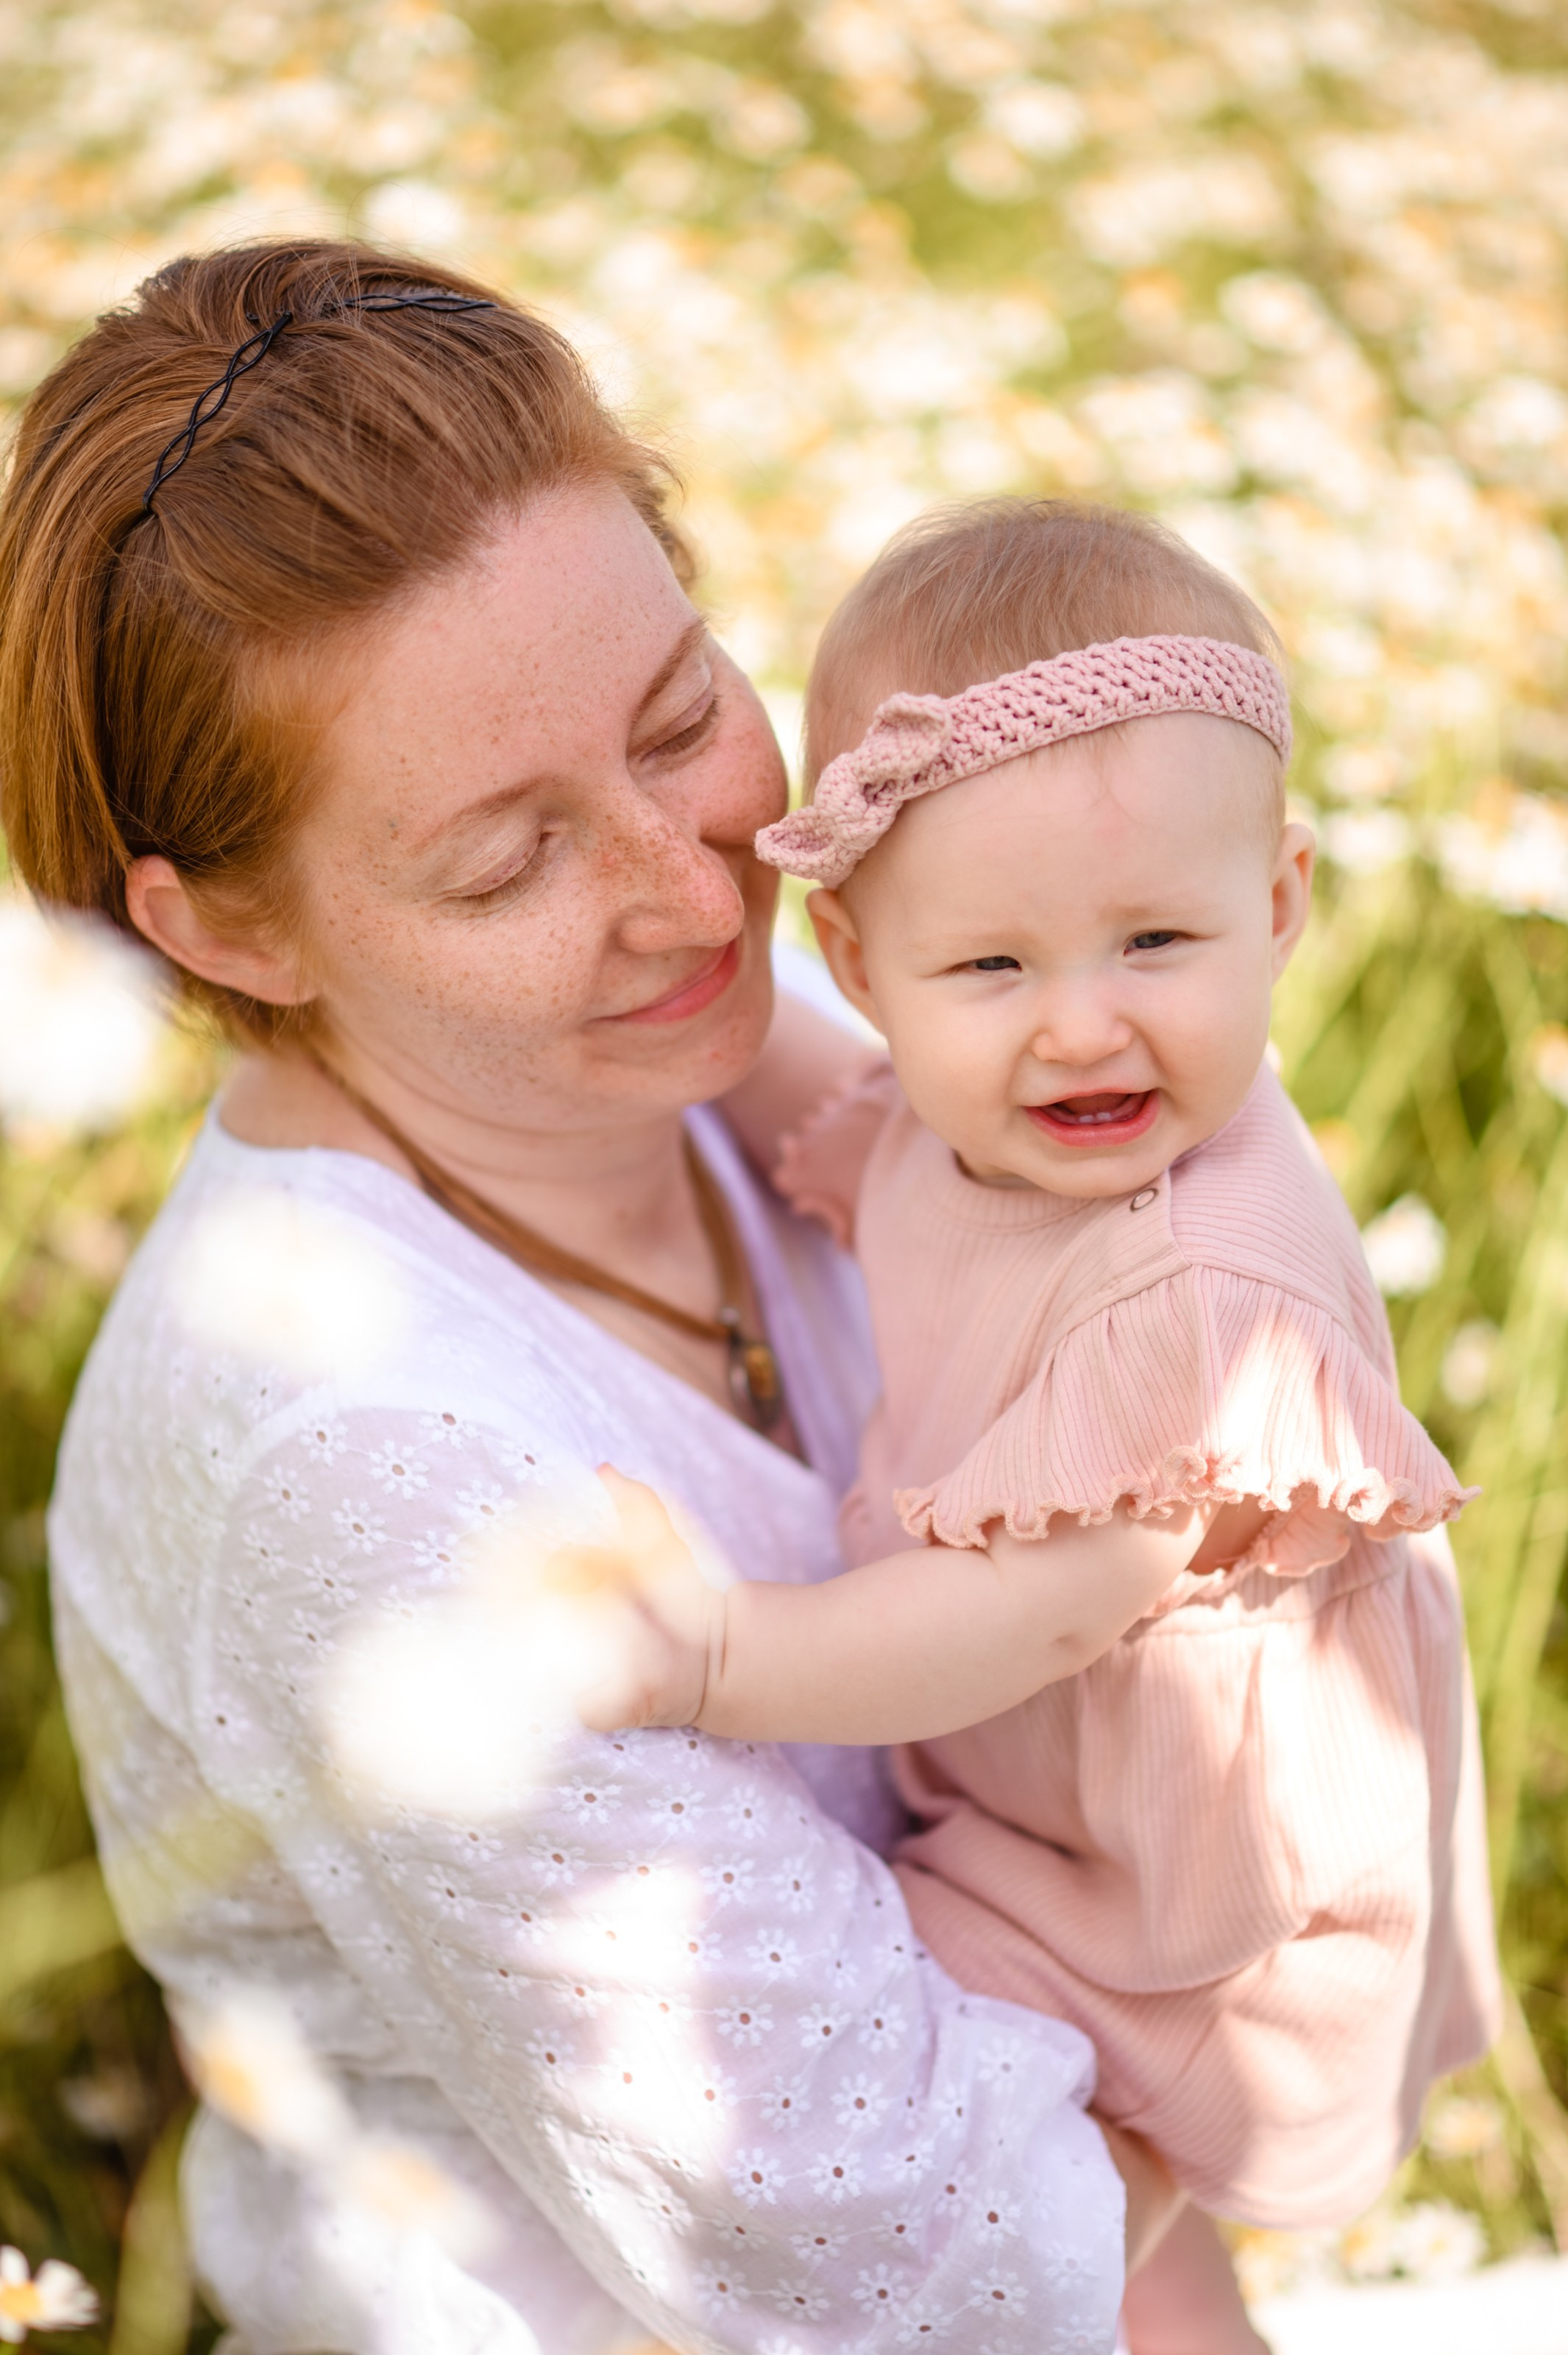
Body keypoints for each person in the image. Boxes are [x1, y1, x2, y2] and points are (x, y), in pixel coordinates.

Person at [0, 247, 1171, 2354]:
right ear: (233, 931)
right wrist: (1270, 2056)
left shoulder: (734, 1046)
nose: (695, 887)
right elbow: (898, 2254)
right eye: (502, 863)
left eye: (678, 716)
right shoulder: (362, 1474)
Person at [590, 503, 1504, 2355]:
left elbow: (1048, 1610)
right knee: (1101, 2240)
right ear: (859, 958)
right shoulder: (945, 1098)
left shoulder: (1203, 1286)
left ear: (1279, 903)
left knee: (994, 2160)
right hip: (1065, 1812)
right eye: (991, 970)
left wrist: (717, 1653)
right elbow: (812, 1063)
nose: (1081, 1029)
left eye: (1156, 939)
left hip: (1196, 1903)